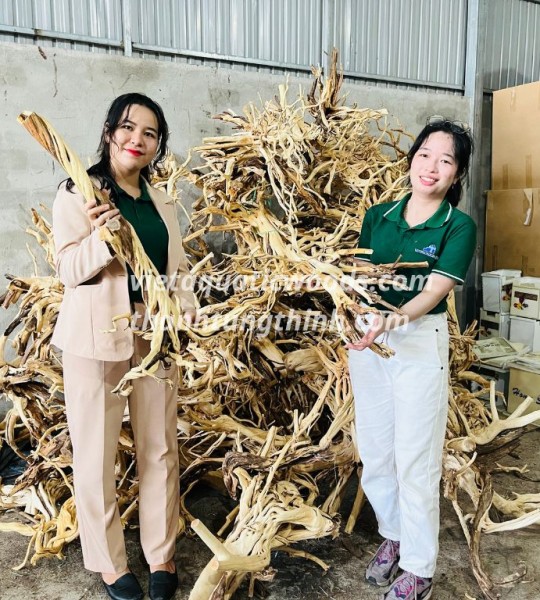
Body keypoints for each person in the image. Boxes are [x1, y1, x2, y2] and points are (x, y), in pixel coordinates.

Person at [51, 93, 197, 600]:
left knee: (159, 449)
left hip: (155, 335)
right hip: (94, 340)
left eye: (150, 134)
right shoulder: (80, 192)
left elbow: (175, 269)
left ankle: (161, 553)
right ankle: (111, 564)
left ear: (158, 146)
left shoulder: (161, 202)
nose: (138, 140)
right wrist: (101, 238)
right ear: (110, 131)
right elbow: (68, 269)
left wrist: (185, 315)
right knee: (96, 456)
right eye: (129, 128)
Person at [347, 116, 476, 600]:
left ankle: (419, 566)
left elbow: (435, 291)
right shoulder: (378, 215)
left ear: (456, 174)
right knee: (376, 452)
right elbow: (360, 275)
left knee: (415, 458)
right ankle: (393, 537)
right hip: (368, 339)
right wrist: (359, 316)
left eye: (446, 160)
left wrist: (392, 319)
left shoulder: (457, 225)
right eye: (425, 155)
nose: (432, 166)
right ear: (411, 159)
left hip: (418, 340)